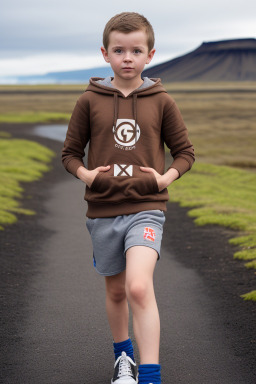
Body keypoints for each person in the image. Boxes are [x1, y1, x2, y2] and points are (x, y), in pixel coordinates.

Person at [62, 11, 195, 384]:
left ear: (150, 55)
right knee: (118, 291)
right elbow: (70, 153)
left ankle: (150, 375)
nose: (127, 57)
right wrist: (86, 174)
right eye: (119, 50)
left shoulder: (162, 100)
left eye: (136, 50)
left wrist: (165, 177)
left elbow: (185, 152)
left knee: (138, 285)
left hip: (147, 208)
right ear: (105, 53)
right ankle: (124, 358)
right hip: (102, 211)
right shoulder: (89, 100)